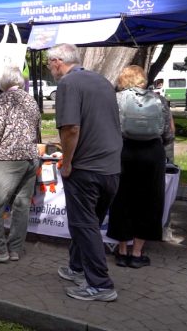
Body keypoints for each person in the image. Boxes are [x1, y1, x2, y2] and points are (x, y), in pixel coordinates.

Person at [47, 43, 121, 302]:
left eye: (49, 63)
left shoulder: (68, 84)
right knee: (88, 224)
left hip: (86, 168)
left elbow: (70, 129)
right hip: (111, 168)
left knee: (84, 225)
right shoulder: (102, 81)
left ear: (57, 61)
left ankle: (100, 284)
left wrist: (66, 162)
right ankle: (77, 267)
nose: (49, 69)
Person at [0, 65, 40, 263]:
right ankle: (15, 249)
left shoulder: (2, 100)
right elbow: (37, 129)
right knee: (21, 206)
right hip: (30, 157)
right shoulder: (31, 100)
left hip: (9, 159)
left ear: (3, 82)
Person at [107, 65, 168, 269]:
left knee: (122, 199)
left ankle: (122, 251)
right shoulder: (159, 100)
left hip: (124, 152)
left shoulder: (116, 100)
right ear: (143, 79)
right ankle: (137, 252)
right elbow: (169, 131)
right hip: (152, 153)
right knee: (150, 201)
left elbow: (108, 128)